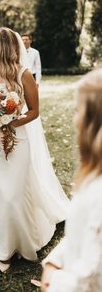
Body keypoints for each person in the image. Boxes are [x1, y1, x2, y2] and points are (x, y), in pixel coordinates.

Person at [0, 28, 69, 272]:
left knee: (13, 194)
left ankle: (20, 243)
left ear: (1, 45)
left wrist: (10, 122)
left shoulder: (24, 74)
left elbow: (34, 111)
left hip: (16, 141)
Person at [41, 67, 102, 292]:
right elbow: (86, 234)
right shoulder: (93, 173)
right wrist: (56, 259)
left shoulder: (98, 191)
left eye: (77, 110)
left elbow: (90, 277)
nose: (74, 119)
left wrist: (53, 282)